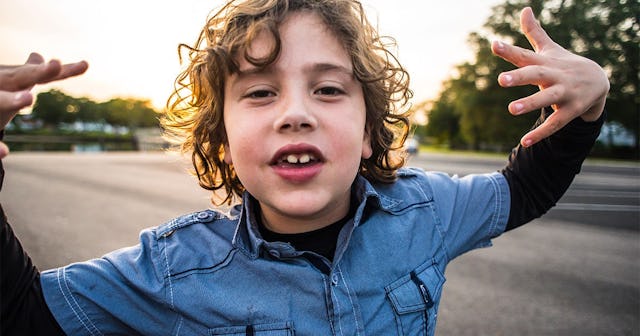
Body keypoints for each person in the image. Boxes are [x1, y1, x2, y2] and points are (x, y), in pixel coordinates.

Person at [0, 0, 608, 335]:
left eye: (328, 90)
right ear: (222, 137)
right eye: (260, 93)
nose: (294, 113)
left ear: (370, 133)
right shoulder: (171, 270)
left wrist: (587, 104)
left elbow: (522, 190)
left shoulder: (428, 212)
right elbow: (27, 314)